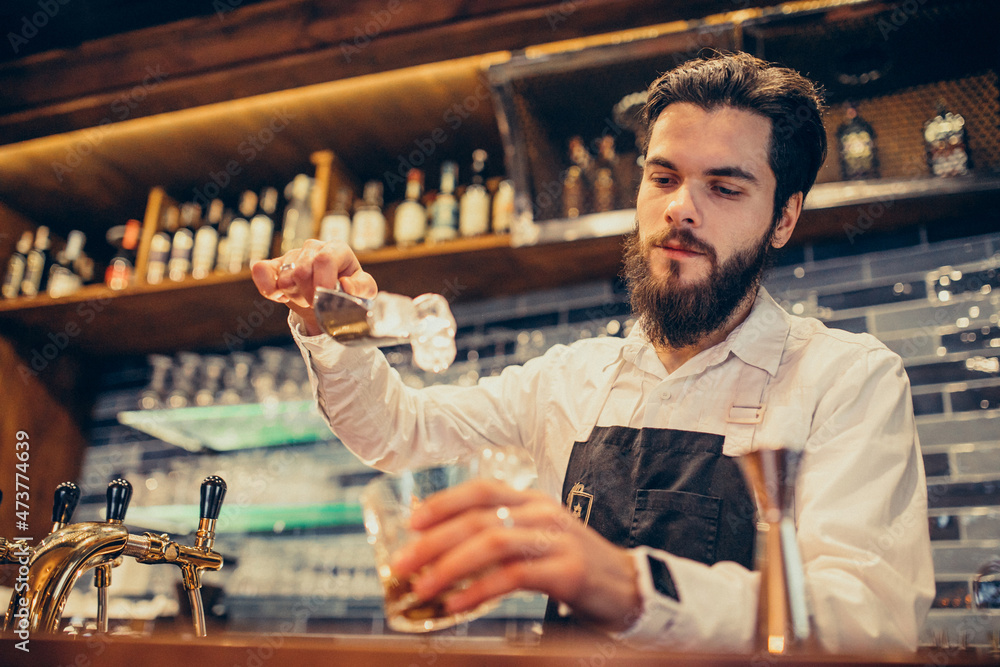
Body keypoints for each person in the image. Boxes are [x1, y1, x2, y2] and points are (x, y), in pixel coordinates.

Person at [252, 52, 934, 653]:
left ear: (784, 216)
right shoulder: (571, 378)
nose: (680, 209)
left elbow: (864, 624)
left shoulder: (846, 380)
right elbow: (395, 433)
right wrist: (328, 326)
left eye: (724, 187)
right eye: (663, 178)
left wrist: (622, 581)